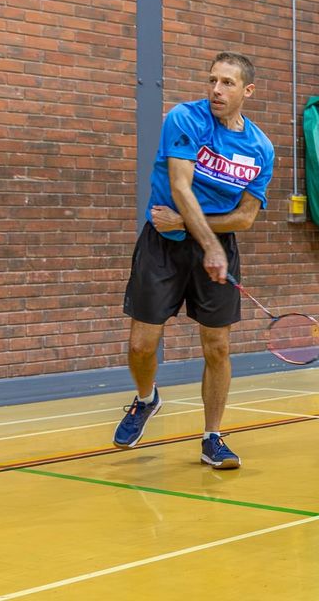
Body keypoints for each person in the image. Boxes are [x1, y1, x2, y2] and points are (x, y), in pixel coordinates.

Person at [113, 52, 275, 470]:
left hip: (211, 241)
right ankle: (147, 400)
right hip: (163, 244)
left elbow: (245, 218)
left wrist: (205, 238)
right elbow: (181, 187)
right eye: (212, 81)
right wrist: (207, 241)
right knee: (140, 344)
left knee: (217, 346)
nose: (216, 90)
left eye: (227, 83)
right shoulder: (184, 119)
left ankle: (212, 438)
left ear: (247, 91)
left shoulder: (260, 148)